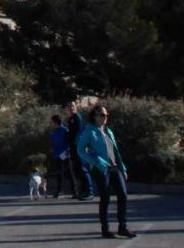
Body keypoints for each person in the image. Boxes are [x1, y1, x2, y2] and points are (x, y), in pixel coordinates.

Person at [78, 105, 136, 239]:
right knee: (105, 198)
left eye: (106, 115)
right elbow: (80, 150)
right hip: (101, 169)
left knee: (123, 195)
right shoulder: (89, 132)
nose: (105, 118)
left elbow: (115, 151)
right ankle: (106, 230)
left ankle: (123, 227)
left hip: (115, 167)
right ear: (95, 116)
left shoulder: (108, 131)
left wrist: (123, 168)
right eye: (102, 115)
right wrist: (95, 161)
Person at [64, 102, 93, 199]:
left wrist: (79, 145)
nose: (71, 108)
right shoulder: (70, 119)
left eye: (73, 106)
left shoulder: (77, 117)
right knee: (77, 170)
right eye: (69, 106)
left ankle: (90, 192)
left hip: (79, 147)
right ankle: (81, 191)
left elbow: (80, 132)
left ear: (76, 107)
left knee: (83, 169)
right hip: (72, 147)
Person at [48, 114, 72, 198]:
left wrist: (67, 152)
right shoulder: (55, 131)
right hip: (57, 155)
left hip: (64, 155)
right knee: (59, 174)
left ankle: (73, 191)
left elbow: (69, 142)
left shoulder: (65, 130)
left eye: (52, 122)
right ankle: (59, 190)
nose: (51, 123)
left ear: (56, 122)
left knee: (68, 173)